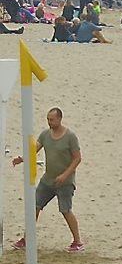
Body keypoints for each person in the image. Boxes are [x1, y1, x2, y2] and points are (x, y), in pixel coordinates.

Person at [10, 107, 84, 252]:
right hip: (47, 180)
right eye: (48, 119)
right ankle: (27, 238)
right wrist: (22, 158)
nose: (49, 122)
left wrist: (65, 175)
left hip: (65, 182)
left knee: (65, 210)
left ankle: (77, 241)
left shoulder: (70, 137)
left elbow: (77, 158)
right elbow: (34, 150)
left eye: (52, 120)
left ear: (59, 119)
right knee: (35, 207)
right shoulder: (45, 135)